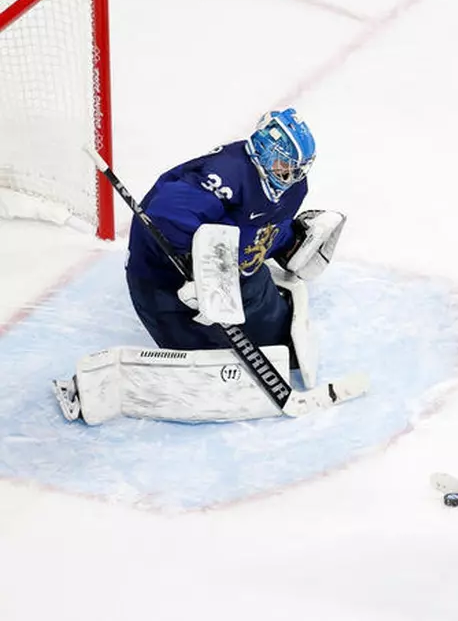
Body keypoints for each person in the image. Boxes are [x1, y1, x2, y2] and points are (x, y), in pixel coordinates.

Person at [52, 109, 347, 424]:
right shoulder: (225, 176)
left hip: (237, 275)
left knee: (277, 344)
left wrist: (284, 241)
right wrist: (197, 270)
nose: (290, 173)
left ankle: (282, 254)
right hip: (166, 284)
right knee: (209, 369)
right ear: (263, 150)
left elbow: (261, 221)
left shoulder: (293, 188)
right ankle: (105, 386)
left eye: (296, 167)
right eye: (283, 163)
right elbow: (164, 216)